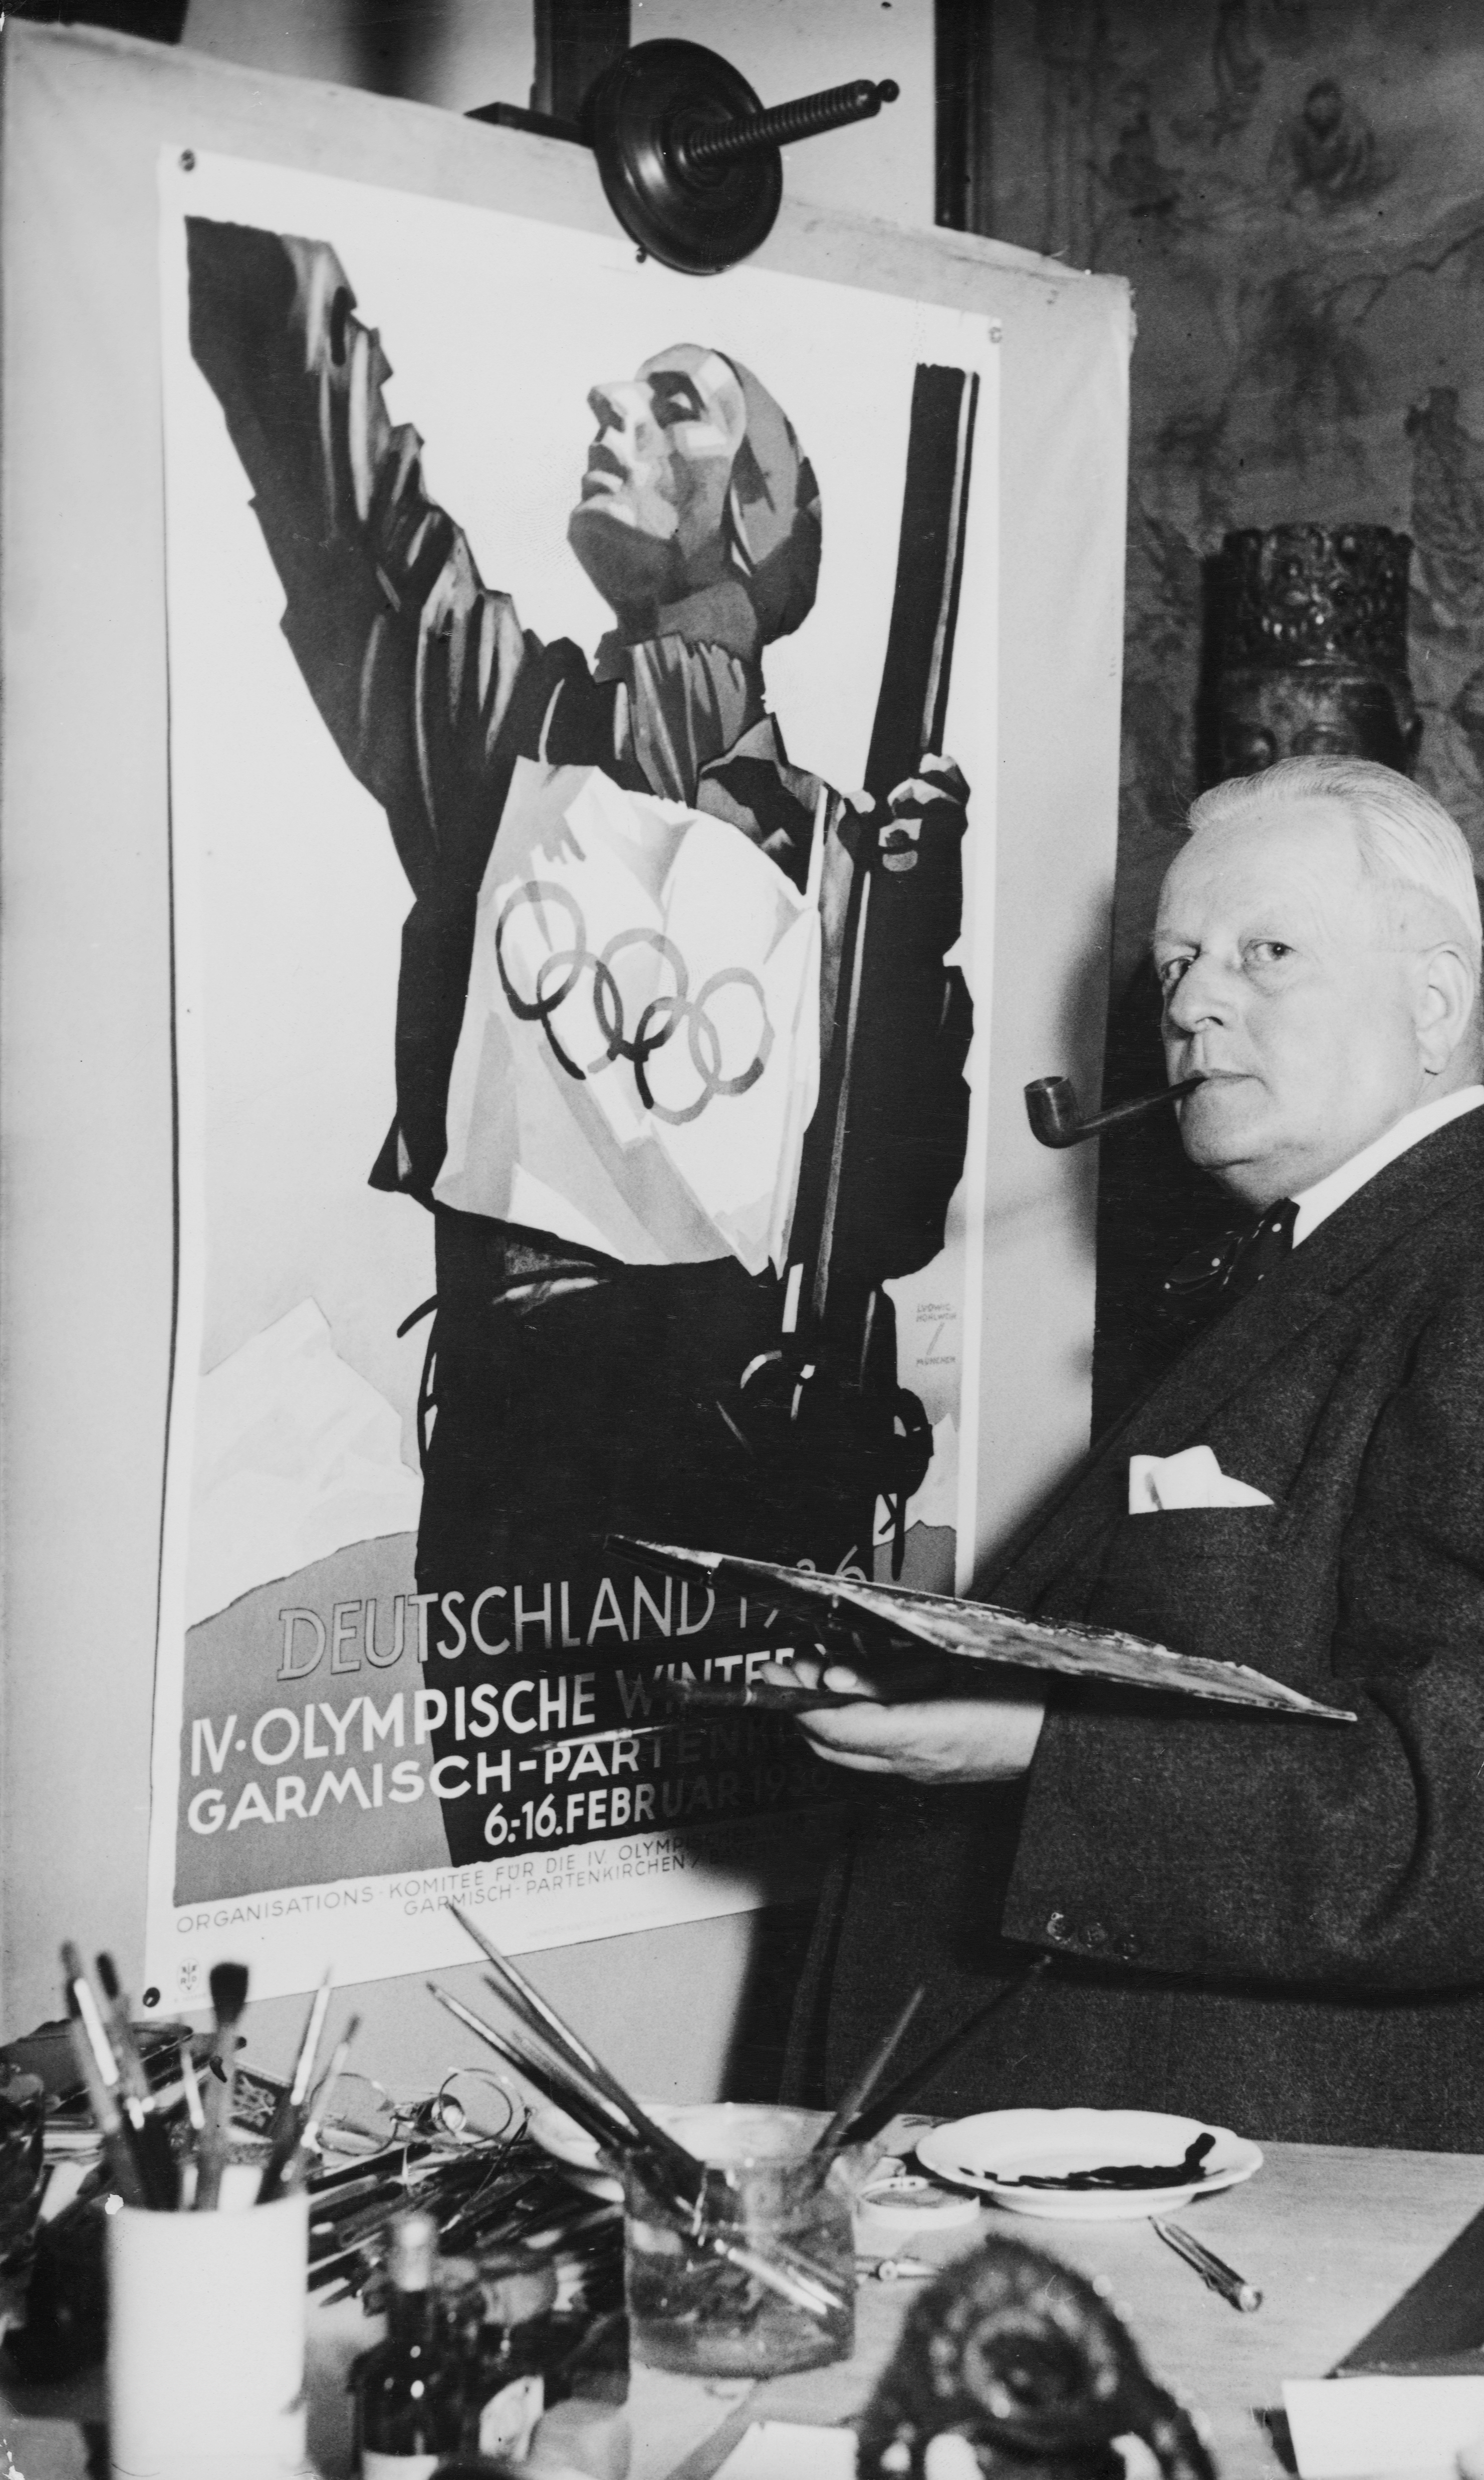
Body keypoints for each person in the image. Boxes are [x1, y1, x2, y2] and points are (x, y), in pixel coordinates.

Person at [780, 756, 1484, 2154]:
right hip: (1203, 2154)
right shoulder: (1349, 1263)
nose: (1193, 1005)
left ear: (1436, 1001)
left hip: (1322, 2185)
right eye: (1178, 965)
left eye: (1266, 954)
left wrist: (1033, 1752)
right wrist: (965, 1686)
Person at [184, 218, 973, 1865]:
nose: (613, 410)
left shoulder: (853, 854)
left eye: (679, 405)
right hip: (527, 1466)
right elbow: (354, 512)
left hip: (756, 1475)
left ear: (761, 512)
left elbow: (890, 1214)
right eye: (622, 392)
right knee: (533, 1904)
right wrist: (253, 236)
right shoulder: (505, 733)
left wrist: (911, 958)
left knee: (775, 1907)